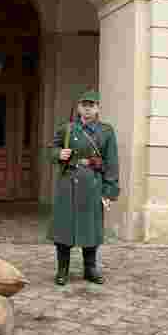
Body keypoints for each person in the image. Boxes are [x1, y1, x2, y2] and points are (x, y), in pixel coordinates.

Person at [50, 90, 120, 285]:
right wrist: (58, 154)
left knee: (91, 228)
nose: (88, 109)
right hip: (68, 182)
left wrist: (109, 191)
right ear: (79, 107)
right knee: (64, 228)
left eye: (92, 105)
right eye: (84, 105)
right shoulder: (68, 129)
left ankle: (90, 268)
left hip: (92, 184)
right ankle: (62, 270)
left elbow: (112, 162)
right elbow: (52, 148)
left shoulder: (106, 131)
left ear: (97, 108)